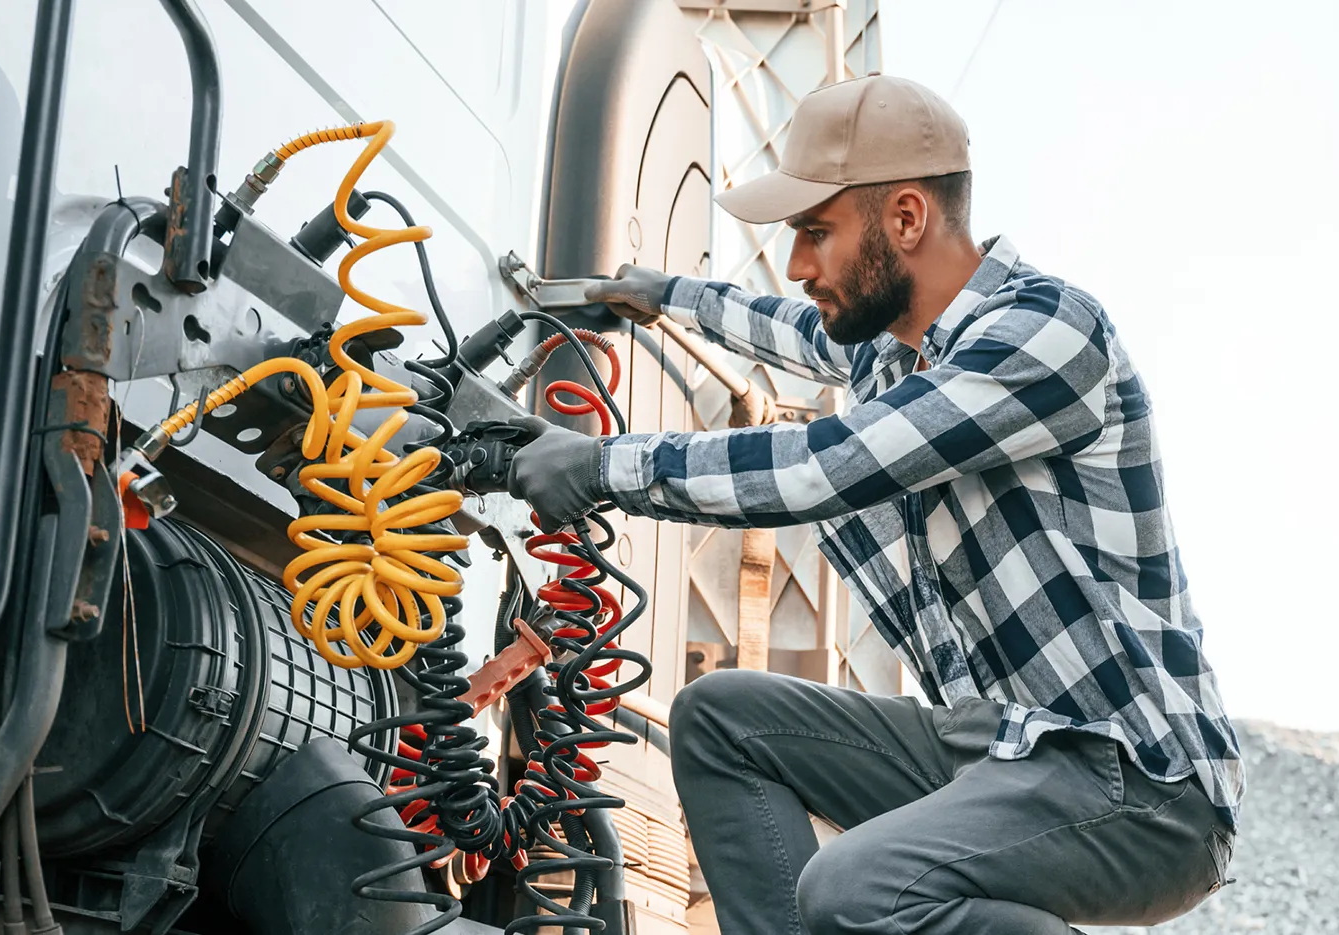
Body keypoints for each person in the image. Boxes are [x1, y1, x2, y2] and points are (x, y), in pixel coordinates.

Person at [506, 74, 1241, 935]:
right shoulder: (895, 351)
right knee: (720, 718)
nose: (799, 264)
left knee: (853, 890)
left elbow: (830, 464)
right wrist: (665, 295)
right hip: (994, 746)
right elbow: (790, 327)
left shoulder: (1048, 333)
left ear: (904, 219)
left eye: (817, 233)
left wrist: (603, 465)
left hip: (1137, 775)